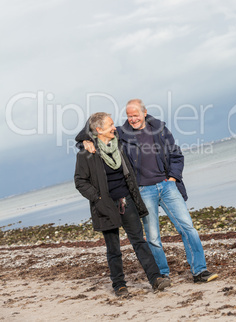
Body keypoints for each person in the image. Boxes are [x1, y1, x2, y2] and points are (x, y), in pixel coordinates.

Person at [76, 100, 218, 284]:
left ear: (145, 113)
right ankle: (162, 275)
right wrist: (84, 142)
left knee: (188, 229)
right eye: (129, 116)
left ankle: (200, 271)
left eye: (135, 115)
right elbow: (93, 134)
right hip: (143, 191)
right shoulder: (121, 133)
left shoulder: (160, 129)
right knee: (152, 237)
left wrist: (173, 177)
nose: (132, 119)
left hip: (167, 186)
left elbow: (176, 154)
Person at [74, 112, 170, 298]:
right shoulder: (86, 154)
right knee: (114, 249)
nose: (114, 127)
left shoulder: (120, 144)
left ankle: (156, 279)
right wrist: (98, 199)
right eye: (110, 125)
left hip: (127, 201)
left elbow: (142, 124)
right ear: (99, 130)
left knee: (139, 242)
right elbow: (80, 182)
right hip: (105, 206)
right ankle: (119, 285)